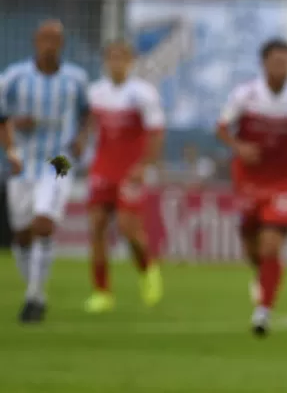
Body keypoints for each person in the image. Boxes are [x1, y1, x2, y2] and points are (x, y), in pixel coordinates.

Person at [216, 38, 287, 336]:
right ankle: (261, 276)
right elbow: (221, 128)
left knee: (271, 244)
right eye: (276, 61)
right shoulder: (245, 95)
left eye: (286, 62)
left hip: (283, 182)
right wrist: (239, 147)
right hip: (248, 180)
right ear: (264, 63)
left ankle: (262, 312)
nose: (282, 67)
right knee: (252, 248)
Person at [0, 20, 89, 323]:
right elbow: (2, 118)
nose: (50, 44)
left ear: (62, 43)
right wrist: (13, 134)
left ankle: (35, 296)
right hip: (22, 161)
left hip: (58, 159)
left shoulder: (76, 79)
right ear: (35, 41)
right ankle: (34, 290)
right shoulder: (14, 77)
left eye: (56, 39)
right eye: (45, 38)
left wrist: (81, 139)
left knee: (43, 223)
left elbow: (87, 114)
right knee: (22, 234)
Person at [82, 41, 165, 313]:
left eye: (121, 58)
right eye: (111, 58)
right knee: (97, 226)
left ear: (131, 62)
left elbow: (156, 133)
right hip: (102, 169)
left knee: (130, 231)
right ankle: (102, 291)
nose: (116, 63)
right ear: (106, 61)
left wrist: (144, 165)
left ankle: (148, 270)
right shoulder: (95, 93)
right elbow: (88, 128)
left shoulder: (143, 94)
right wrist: (78, 149)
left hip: (130, 171)